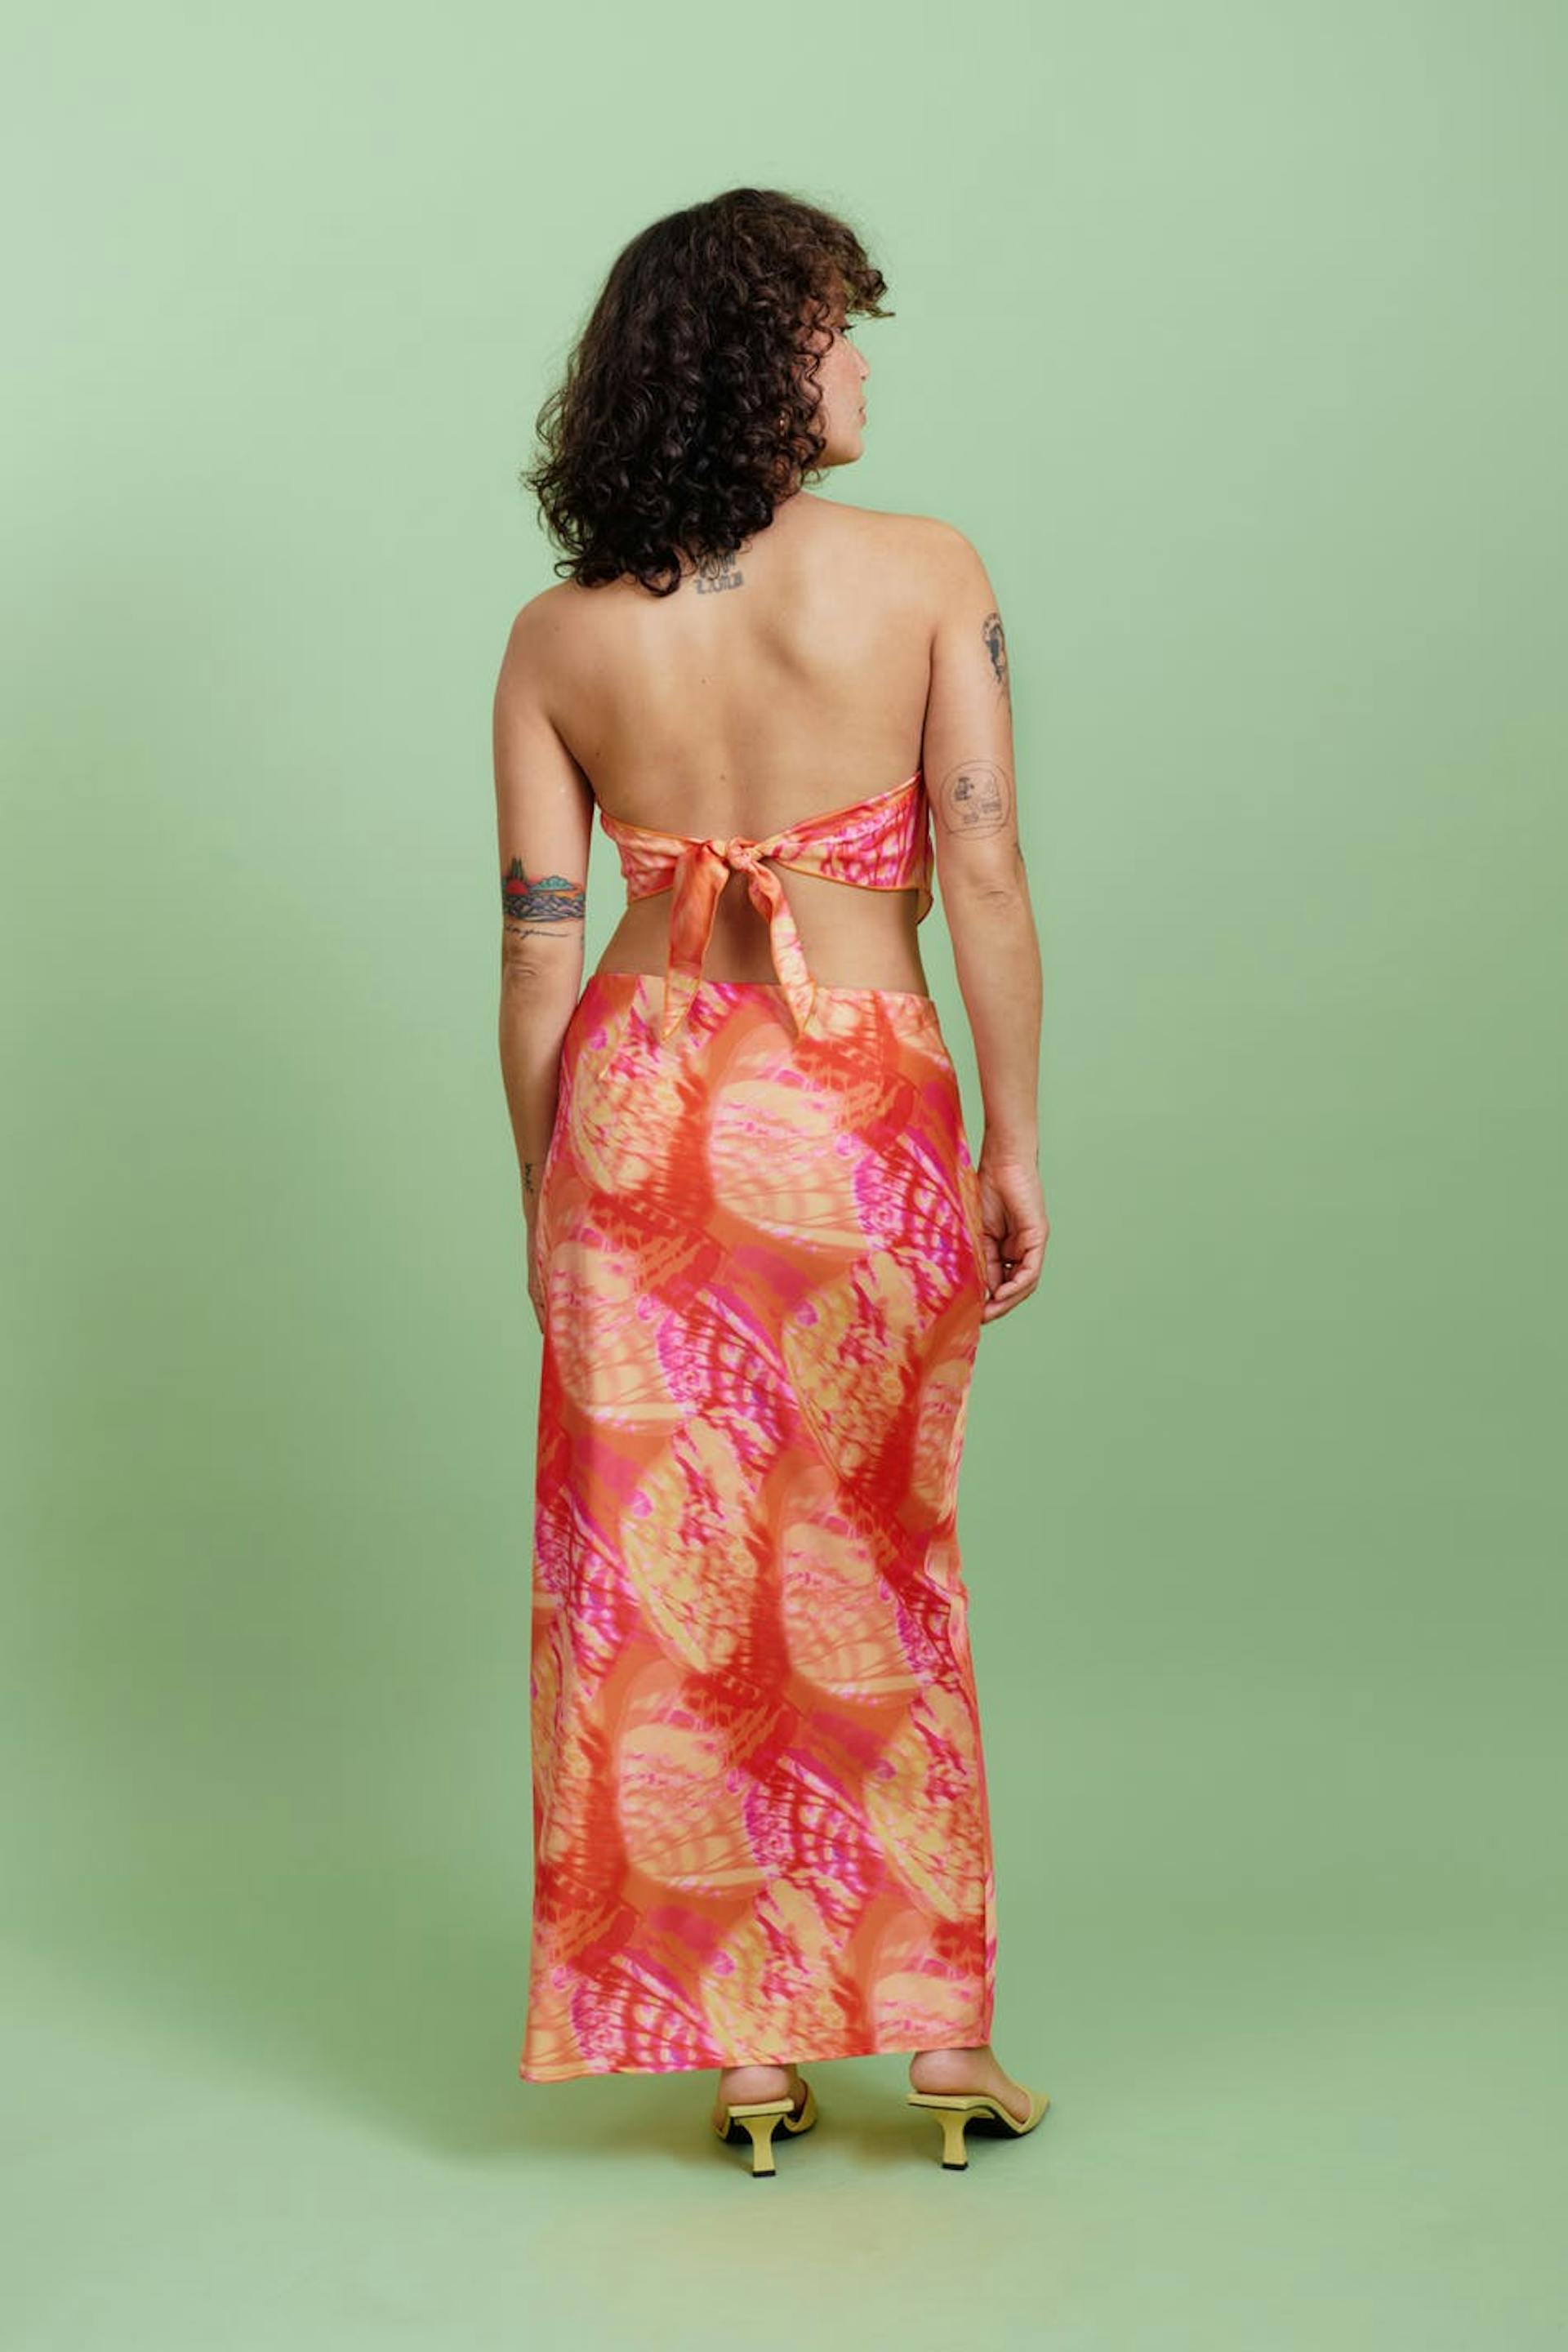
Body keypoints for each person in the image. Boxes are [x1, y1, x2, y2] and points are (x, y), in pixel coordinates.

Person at [493, 186, 1050, 2173]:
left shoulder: (560, 636)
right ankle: (940, 2035)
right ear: (761, 359)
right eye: (835, 328)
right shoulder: (925, 572)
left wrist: (548, 1199)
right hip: (855, 1092)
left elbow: (538, 949)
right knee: (879, 1554)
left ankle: (744, 2050)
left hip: (637, 1105)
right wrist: (1013, 1135)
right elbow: (981, 864)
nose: (861, 365)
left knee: (680, 1584)